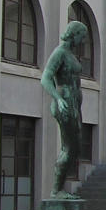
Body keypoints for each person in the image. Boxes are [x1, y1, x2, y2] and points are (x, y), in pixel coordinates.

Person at [41, 21, 87, 198]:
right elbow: (45, 78)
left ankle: (58, 190)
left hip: (74, 103)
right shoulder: (59, 53)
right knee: (69, 148)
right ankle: (56, 191)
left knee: (74, 148)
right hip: (65, 103)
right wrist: (58, 98)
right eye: (81, 37)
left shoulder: (70, 54)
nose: (82, 41)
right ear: (73, 34)